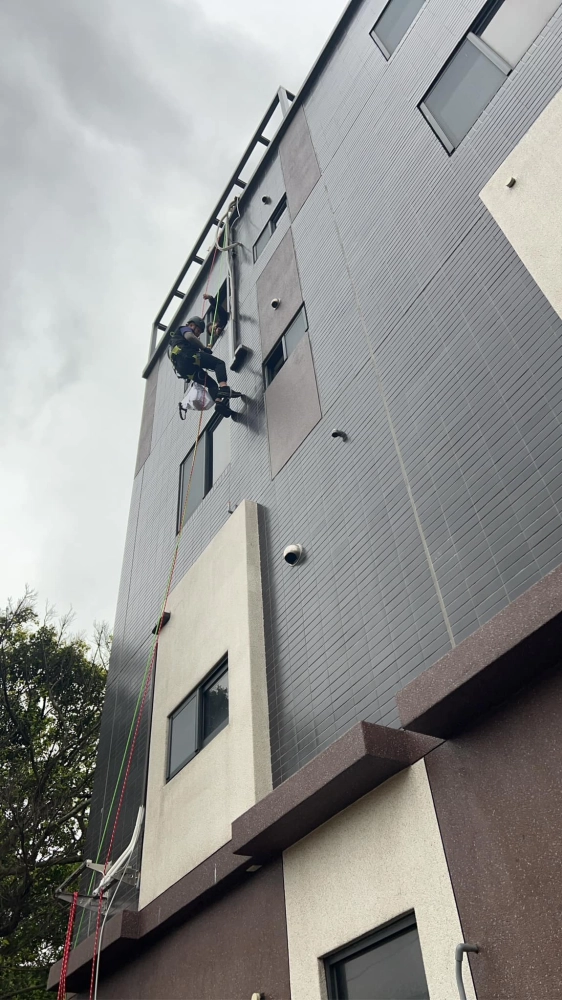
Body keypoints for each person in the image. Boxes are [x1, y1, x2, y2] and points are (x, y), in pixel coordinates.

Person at [168, 316, 240, 417]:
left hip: (184, 369)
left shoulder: (176, 340)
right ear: (191, 325)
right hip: (188, 355)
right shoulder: (183, 329)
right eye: (197, 330)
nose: (197, 334)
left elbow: (189, 341)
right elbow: (190, 336)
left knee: (211, 384)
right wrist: (204, 348)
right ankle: (224, 388)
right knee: (219, 364)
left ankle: (219, 402)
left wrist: (201, 350)